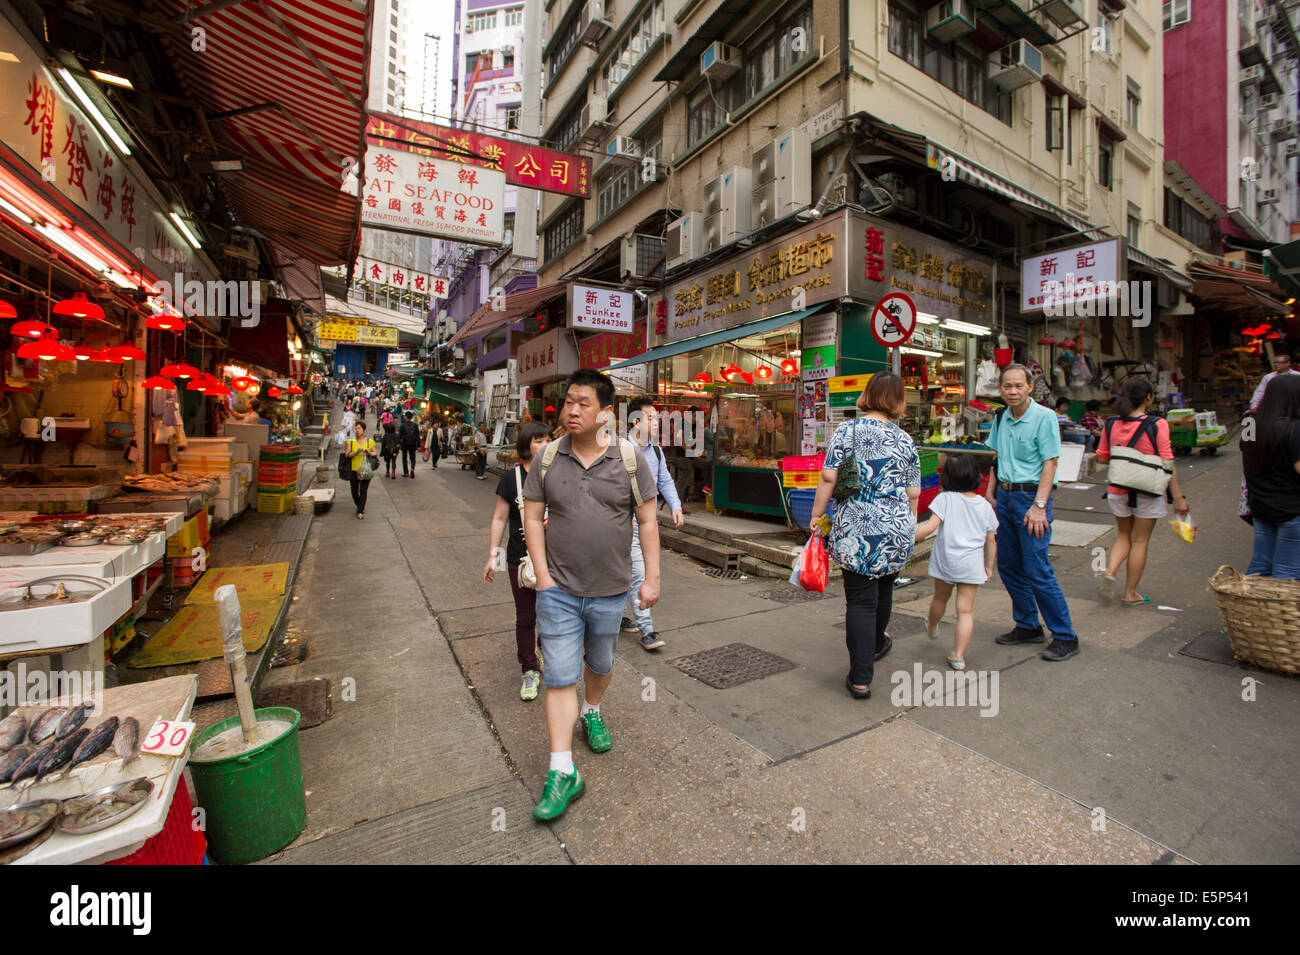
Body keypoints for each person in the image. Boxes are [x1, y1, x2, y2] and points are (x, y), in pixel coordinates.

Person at [522, 369, 659, 822]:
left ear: (605, 412)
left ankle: (593, 709)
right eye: (568, 402)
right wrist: (542, 577)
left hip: (610, 589)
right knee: (558, 674)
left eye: (583, 403)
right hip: (557, 589)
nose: (572, 410)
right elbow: (532, 517)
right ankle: (562, 770)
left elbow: (647, 522)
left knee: (599, 664)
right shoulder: (546, 459)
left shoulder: (630, 458)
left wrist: (652, 578)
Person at [809, 374, 921, 699]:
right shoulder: (905, 440)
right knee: (884, 590)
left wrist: (817, 515)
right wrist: (908, 525)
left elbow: (829, 476)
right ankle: (875, 645)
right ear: (899, 402)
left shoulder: (848, 430)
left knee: (860, 600)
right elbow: (914, 492)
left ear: (867, 395)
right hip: (897, 528)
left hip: (857, 530)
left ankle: (861, 678)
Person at [985, 364, 1079, 661]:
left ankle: (1065, 635)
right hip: (1005, 496)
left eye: (1018, 386)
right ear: (1001, 389)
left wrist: (1040, 506)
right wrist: (990, 491)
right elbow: (997, 457)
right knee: (1009, 566)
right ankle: (1027, 624)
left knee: (1037, 569)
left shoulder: (1045, 417)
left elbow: (1050, 463)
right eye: (1007, 386)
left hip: (1031, 498)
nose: (1012, 391)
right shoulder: (1000, 416)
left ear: (1029, 387)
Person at [1095, 378, 1188, 604]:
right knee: (1139, 540)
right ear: (1149, 398)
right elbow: (1168, 463)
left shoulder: (1111, 423)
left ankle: (1109, 572)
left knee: (1124, 535)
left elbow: (1102, 456)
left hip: (1118, 489)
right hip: (1148, 489)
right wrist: (1178, 498)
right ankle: (1130, 593)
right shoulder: (1158, 424)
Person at [483, 422, 552, 701]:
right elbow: (499, 518)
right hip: (520, 559)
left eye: (548, 439)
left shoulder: (556, 474)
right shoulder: (512, 479)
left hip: (554, 558)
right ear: (526, 445)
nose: (545, 444)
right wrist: (492, 555)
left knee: (551, 615)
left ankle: (543, 651)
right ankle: (529, 669)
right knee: (526, 617)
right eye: (538, 440)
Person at [914, 453, 998, 671]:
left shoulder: (945, 499)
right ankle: (958, 656)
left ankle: (932, 625)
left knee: (940, 598)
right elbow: (991, 540)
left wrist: (908, 537)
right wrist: (988, 565)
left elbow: (930, 527)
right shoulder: (984, 505)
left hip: (946, 561)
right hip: (971, 564)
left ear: (948, 478)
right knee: (965, 610)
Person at [619, 396, 684, 651]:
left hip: (642, 524)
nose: (658, 422)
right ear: (636, 421)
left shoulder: (656, 450)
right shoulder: (618, 449)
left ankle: (641, 625)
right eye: (652, 418)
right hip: (618, 523)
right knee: (629, 572)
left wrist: (676, 506)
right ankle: (642, 627)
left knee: (637, 572)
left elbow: (664, 480)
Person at [1242, 374, 1300, 578]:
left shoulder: (1250, 423)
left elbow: (1246, 452)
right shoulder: (1294, 429)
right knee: (1287, 572)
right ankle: (1275, 610)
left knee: (1261, 566)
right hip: (1290, 510)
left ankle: (1247, 606)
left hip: (1260, 506)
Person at [345, 422, 377, 519]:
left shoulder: (369, 441)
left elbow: (375, 452)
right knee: (354, 492)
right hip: (354, 470)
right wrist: (356, 452)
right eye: (356, 429)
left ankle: (360, 511)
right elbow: (347, 454)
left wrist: (369, 453)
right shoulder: (350, 442)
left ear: (363, 430)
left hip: (366, 470)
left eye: (359, 428)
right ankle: (360, 505)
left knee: (363, 491)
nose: (357, 430)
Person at [399, 411, 420, 478]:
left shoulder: (402, 425)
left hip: (405, 444)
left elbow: (400, 435)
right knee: (413, 458)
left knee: (404, 458)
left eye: (405, 415)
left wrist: (399, 444)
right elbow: (417, 435)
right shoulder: (415, 425)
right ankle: (412, 469)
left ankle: (406, 472)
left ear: (406, 417)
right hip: (413, 444)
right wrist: (418, 445)